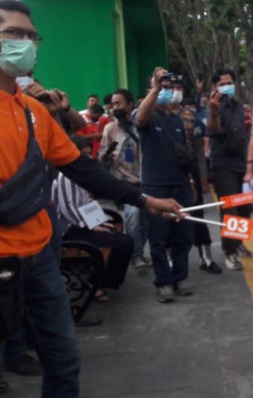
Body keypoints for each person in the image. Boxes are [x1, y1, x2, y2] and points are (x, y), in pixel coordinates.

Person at [0, 2, 183, 395]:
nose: (28, 44)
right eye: (16, 34)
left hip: (41, 255)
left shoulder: (32, 110)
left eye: (32, 36)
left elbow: (81, 169)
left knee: (64, 359)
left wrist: (144, 200)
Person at [135, 67, 196, 303]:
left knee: (183, 234)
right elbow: (141, 118)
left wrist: (189, 181)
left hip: (180, 185)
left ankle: (180, 277)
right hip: (155, 187)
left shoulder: (177, 120)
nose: (168, 91)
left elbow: (183, 155)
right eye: (163, 86)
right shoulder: (145, 115)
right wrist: (155, 88)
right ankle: (163, 282)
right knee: (158, 237)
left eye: (170, 86)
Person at [54, 137, 134, 301]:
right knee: (123, 242)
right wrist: (90, 226)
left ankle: (101, 281)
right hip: (69, 231)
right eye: (84, 154)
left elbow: (86, 203)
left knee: (117, 234)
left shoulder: (80, 176)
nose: (88, 158)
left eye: (89, 154)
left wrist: (98, 221)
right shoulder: (66, 177)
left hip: (79, 224)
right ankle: (100, 285)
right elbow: (68, 210)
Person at [171, 77, 221, 274]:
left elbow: (200, 151)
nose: (175, 91)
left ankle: (206, 257)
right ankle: (170, 261)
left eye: (178, 88)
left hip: (190, 170)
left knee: (198, 214)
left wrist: (203, 175)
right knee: (169, 217)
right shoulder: (154, 116)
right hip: (165, 173)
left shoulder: (191, 117)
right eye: (171, 88)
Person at [99, 89, 151, 269]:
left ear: (130, 105)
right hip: (123, 182)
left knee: (145, 220)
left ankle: (139, 250)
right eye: (113, 104)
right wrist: (106, 156)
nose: (115, 107)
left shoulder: (142, 124)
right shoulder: (110, 129)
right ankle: (136, 254)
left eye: (118, 103)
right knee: (132, 215)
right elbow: (101, 158)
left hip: (146, 180)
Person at [206, 68, 253, 270]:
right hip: (223, 164)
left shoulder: (238, 106)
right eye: (222, 83)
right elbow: (214, 130)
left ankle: (238, 242)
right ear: (215, 87)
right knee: (229, 208)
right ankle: (229, 250)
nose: (227, 86)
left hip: (241, 162)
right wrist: (215, 111)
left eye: (229, 82)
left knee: (244, 207)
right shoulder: (214, 106)